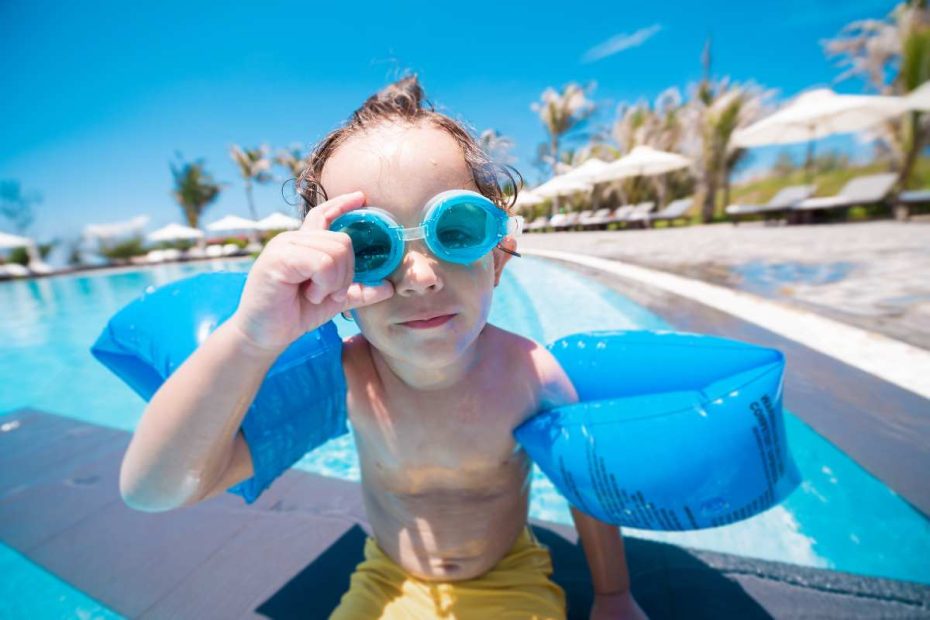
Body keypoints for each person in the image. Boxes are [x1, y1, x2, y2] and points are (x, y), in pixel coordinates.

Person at [119, 75, 647, 620]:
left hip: (506, 578)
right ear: (327, 280)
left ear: (498, 257)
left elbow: (587, 488)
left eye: (456, 229)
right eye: (370, 246)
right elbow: (153, 491)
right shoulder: (348, 380)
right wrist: (252, 337)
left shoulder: (532, 375)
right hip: (389, 577)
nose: (419, 276)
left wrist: (613, 595)